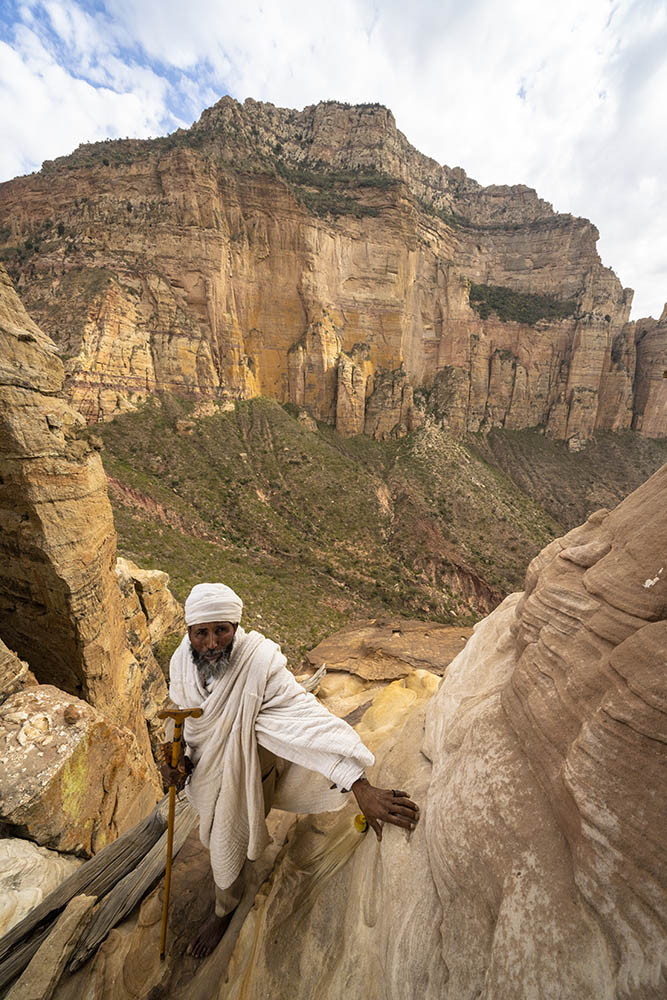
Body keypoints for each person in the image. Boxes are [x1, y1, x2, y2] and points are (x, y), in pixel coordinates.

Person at [161, 582, 420, 959]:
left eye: (223, 630)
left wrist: (360, 786)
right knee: (220, 834)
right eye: (203, 633)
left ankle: (223, 909)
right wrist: (175, 759)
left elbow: (306, 718)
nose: (213, 642)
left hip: (251, 771)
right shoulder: (180, 663)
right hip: (208, 770)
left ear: (236, 626)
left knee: (227, 842)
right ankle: (228, 892)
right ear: (189, 633)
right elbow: (181, 715)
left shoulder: (260, 663)